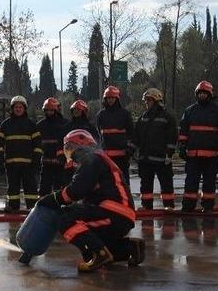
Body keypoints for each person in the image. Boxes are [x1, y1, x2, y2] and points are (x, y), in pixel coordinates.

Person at [37, 129, 143, 273]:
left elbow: (77, 190)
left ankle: (99, 255)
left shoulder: (92, 159)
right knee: (93, 238)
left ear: (83, 145)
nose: (71, 154)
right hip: (121, 215)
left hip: (112, 212)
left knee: (65, 218)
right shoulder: (98, 158)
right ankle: (130, 248)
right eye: (67, 149)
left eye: (71, 148)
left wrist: (53, 199)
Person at [178, 80, 218, 213]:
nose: (202, 96)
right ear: (197, 94)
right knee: (191, 183)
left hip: (212, 156)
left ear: (210, 94)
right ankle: (188, 206)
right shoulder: (190, 111)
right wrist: (182, 146)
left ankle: (207, 207)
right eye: (200, 93)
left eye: (204, 93)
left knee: (209, 184)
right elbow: (183, 130)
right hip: (193, 156)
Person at [130, 88, 178, 210]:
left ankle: (168, 206)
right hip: (145, 159)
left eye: (149, 100)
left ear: (156, 101)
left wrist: (169, 153)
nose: (146, 102)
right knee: (145, 186)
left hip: (162, 159)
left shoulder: (167, 117)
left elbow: (172, 137)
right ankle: (146, 207)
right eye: (145, 100)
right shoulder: (142, 118)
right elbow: (136, 137)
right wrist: (130, 150)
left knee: (166, 184)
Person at [0, 95, 42, 212]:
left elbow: (38, 145)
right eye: (16, 107)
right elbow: (0, 145)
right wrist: (0, 160)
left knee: (30, 186)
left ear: (24, 108)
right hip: (11, 163)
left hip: (28, 163)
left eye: (20, 107)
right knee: (13, 187)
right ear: (12, 109)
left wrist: (36, 160)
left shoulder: (31, 125)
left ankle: (32, 207)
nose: (18, 109)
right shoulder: (5, 125)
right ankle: (13, 206)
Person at [96, 85, 134, 176]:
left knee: (123, 181)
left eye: (112, 98)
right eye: (108, 98)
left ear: (117, 99)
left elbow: (131, 134)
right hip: (106, 156)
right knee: (107, 182)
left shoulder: (125, 114)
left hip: (122, 157)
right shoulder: (101, 115)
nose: (110, 100)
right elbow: (99, 134)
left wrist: (130, 150)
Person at [37, 97, 69, 196]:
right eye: (47, 110)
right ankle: (43, 208)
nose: (49, 112)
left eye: (51, 110)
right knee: (44, 189)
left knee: (60, 189)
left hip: (61, 163)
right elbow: (36, 143)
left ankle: (61, 208)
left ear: (56, 110)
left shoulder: (66, 124)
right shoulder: (40, 125)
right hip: (46, 163)